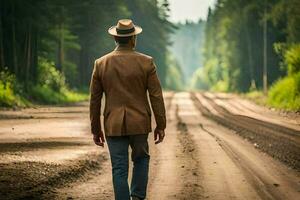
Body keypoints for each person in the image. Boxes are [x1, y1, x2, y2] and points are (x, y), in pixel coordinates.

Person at [89, 19, 166, 200]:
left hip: (113, 125)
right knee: (141, 160)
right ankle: (137, 197)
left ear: (115, 38)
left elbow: (95, 101)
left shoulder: (101, 64)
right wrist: (161, 125)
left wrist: (96, 129)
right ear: (133, 39)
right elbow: (156, 96)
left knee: (119, 167)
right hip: (139, 124)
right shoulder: (147, 62)